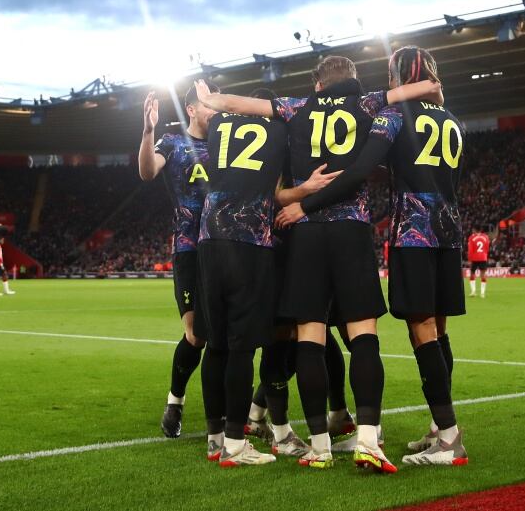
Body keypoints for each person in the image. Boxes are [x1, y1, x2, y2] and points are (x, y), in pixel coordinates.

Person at [197, 56, 440, 472]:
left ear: (317, 82)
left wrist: (211, 96)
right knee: (363, 336)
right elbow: (421, 87)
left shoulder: (296, 106)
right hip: (351, 229)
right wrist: (432, 86)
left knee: (310, 336)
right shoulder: (367, 102)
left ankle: (320, 447)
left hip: (305, 232)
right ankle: (368, 440)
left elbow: (239, 105)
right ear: (354, 80)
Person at [279, 46, 469, 467]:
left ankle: (450, 437)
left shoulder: (393, 115)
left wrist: (305, 203)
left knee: (421, 330)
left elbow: (362, 167)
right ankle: (440, 429)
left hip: (414, 233)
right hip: (450, 228)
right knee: (438, 330)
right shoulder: (452, 119)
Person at [193, 80, 289, 468]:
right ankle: (235, 443)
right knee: (242, 346)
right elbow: (278, 187)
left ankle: (215, 437)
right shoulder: (281, 127)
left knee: (214, 344)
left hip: (209, 239)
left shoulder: (217, 125)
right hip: (249, 242)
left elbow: (202, 130)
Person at [138, 86, 216, 439]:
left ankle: (233, 416)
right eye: (208, 103)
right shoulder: (172, 143)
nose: (215, 109)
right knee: (196, 335)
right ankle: (175, 402)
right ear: (191, 109)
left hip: (225, 248)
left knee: (223, 335)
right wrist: (148, 130)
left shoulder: (228, 143)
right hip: (189, 249)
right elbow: (147, 171)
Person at [467, 226, 491, 298]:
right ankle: (482, 293)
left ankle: (473, 291)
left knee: (472, 274)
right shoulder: (486, 237)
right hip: (483, 257)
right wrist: (485, 255)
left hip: (474, 258)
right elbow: (487, 248)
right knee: (483, 275)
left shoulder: (472, 237)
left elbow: (470, 249)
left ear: (474, 230)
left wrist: (469, 259)